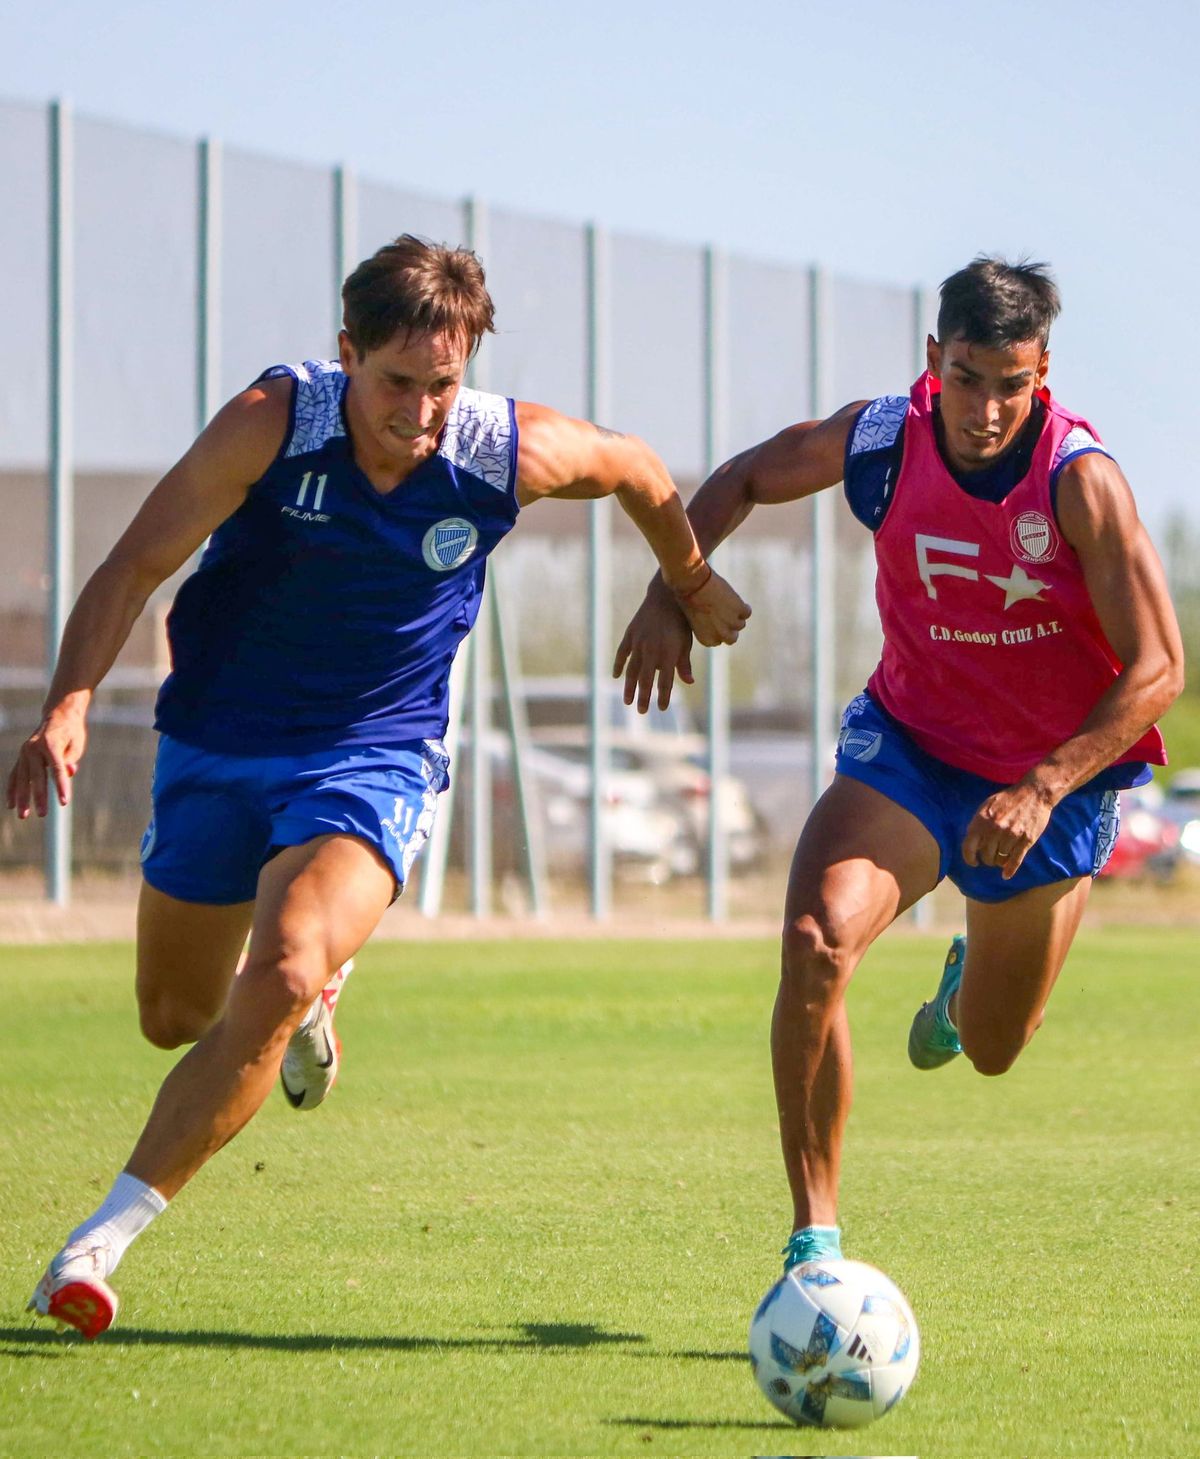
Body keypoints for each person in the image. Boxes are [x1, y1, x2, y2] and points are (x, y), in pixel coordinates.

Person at [9, 234, 750, 1339]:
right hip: (218, 736)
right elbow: (133, 566)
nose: (418, 411)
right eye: (396, 383)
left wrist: (686, 582)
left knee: (289, 959)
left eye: (441, 385)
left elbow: (641, 469)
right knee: (174, 1017)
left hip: (375, 749)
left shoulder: (508, 451)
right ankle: (307, 1003)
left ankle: (98, 1242)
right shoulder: (272, 420)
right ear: (347, 352)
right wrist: (70, 699)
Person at [615, 257, 1183, 1274]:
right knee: (813, 942)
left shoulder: (1079, 480)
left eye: (1012, 383)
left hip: (1047, 783)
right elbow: (746, 474)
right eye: (967, 377)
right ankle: (815, 1238)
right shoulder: (885, 436)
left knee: (999, 1048)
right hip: (912, 750)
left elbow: (1160, 666)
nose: (987, 407)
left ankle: (963, 996)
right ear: (934, 361)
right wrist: (677, 586)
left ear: (1043, 371)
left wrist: (1044, 785)